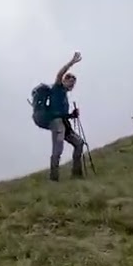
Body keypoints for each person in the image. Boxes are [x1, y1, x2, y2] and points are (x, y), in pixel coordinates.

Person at [43, 51, 85, 181]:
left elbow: (63, 114)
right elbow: (60, 73)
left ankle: (76, 174)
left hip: (64, 123)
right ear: (64, 81)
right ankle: (54, 178)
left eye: (73, 83)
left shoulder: (64, 95)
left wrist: (72, 115)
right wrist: (72, 62)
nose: (72, 85)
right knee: (58, 149)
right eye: (70, 82)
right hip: (57, 123)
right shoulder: (57, 88)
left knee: (79, 143)